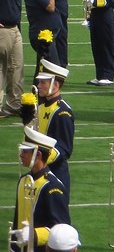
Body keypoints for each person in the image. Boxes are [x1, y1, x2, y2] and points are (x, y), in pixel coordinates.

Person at [10, 126, 71, 252]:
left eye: (26, 151)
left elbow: (62, 229)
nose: (21, 155)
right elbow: (17, 221)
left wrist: (34, 235)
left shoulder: (53, 187)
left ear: (37, 155)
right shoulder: (24, 181)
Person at [27, 59, 74, 201]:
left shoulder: (62, 112)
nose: (38, 86)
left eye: (43, 83)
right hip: (38, 170)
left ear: (56, 84)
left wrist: (39, 157)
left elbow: (65, 149)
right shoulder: (40, 107)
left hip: (55, 174)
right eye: (39, 82)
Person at [22, 0, 61, 71]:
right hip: (43, 37)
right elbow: (50, 7)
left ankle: (38, 87)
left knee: (43, 68)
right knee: (51, 68)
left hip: (45, 35)